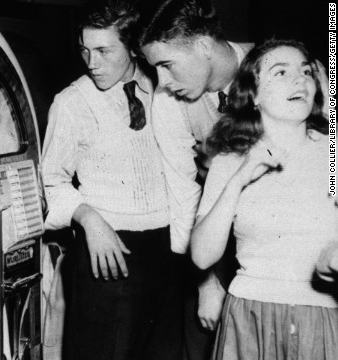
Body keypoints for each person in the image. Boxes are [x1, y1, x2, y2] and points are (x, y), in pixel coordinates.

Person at [41, 1, 183, 359]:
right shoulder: (71, 102)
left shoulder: (165, 87)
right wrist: (88, 218)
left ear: (134, 47)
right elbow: (49, 181)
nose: (92, 63)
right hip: (107, 250)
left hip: (168, 252)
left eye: (104, 50)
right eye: (85, 50)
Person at [190, 39, 337, 359]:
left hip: (322, 317)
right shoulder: (229, 161)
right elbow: (201, 257)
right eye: (280, 72)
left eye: (306, 72)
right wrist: (241, 178)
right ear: (252, 94)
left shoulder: (332, 154)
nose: (299, 79)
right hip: (248, 318)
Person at [135, 1, 253, 358]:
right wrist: (207, 283)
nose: (163, 82)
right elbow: (184, 195)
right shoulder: (168, 100)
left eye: (167, 65)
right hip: (211, 236)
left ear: (202, 45)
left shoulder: (277, 67)